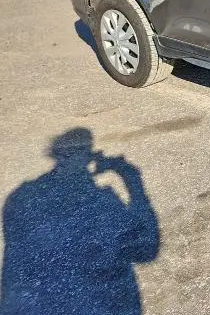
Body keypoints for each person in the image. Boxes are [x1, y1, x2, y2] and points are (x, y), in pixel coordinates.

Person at [1, 128, 159, 315]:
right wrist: (131, 178)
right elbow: (147, 250)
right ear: (88, 157)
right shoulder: (101, 203)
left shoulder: (20, 197)